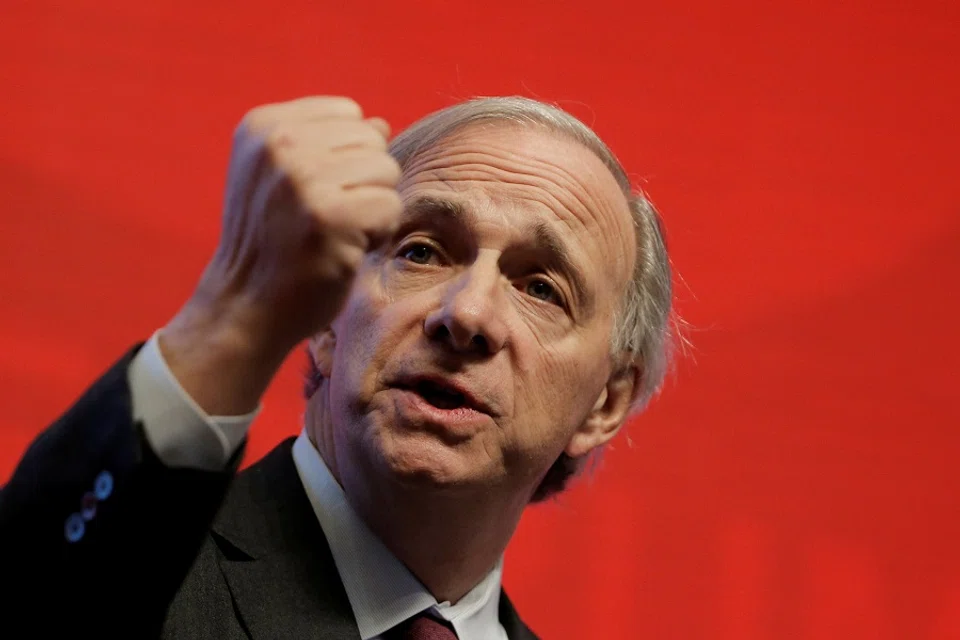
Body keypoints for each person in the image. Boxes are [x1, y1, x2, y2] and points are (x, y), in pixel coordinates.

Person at [0, 95, 674, 638]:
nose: (467, 313)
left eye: (540, 289)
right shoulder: (139, 577)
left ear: (606, 402)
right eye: (421, 251)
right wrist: (228, 317)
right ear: (325, 318)